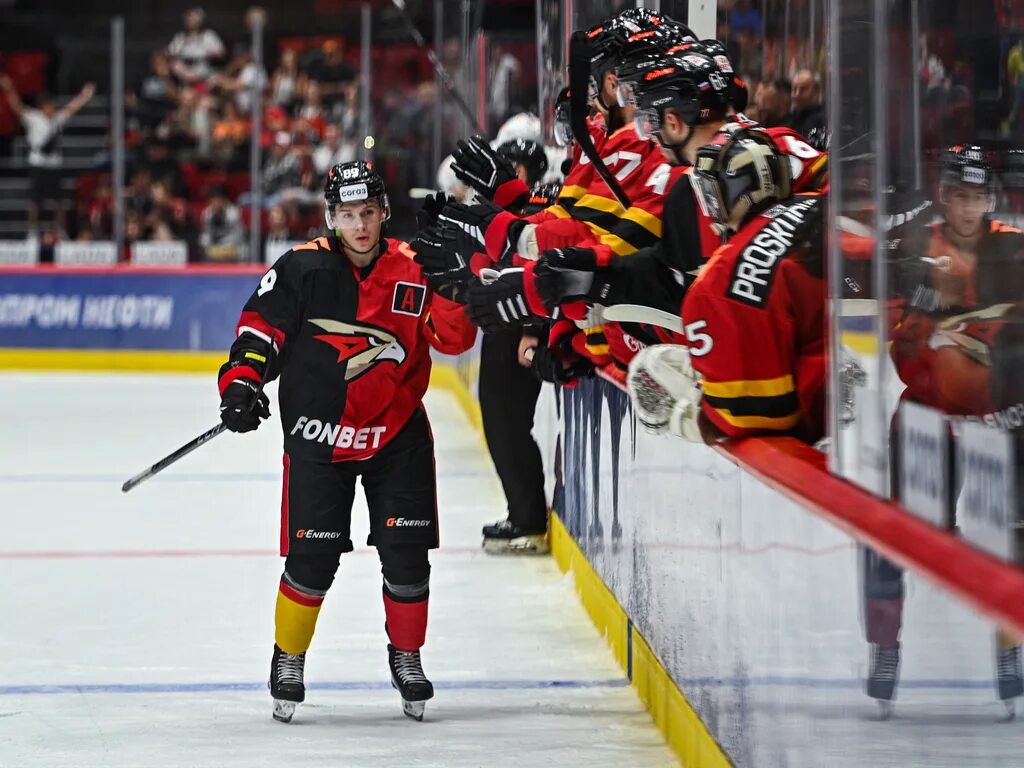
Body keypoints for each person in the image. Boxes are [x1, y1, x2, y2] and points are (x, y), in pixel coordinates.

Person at [217, 161, 475, 723]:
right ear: (332, 217)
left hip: (395, 435)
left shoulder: (414, 267)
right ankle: (288, 658)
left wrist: (456, 280)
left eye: (368, 213)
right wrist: (241, 384)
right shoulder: (301, 267)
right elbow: (260, 330)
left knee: (407, 559)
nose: (360, 226)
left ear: (383, 213)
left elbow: (454, 340)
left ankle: (407, 657)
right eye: (348, 215)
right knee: (312, 559)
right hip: (318, 439)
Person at [873, 144, 1024, 716]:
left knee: (1009, 543)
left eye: (977, 196)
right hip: (927, 423)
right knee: (895, 542)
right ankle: (885, 646)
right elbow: (901, 343)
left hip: (998, 423)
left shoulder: (1013, 246)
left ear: (990, 199)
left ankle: (1008, 643)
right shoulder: (915, 250)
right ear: (944, 196)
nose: (968, 208)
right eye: (959, 196)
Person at [625, 128, 826, 446]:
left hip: (837, 441)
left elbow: (752, 417)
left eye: (710, 192)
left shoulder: (718, 281)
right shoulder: (823, 203)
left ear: (729, 193)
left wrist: (687, 417)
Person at [0, 76, 95, 235]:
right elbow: (16, 106)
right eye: (49, 106)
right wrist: (8, 88)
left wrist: (85, 96)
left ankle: (60, 230)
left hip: (54, 165)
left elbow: (72, 108)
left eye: (53, 105)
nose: (52, 108)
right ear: (42, 107)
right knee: (34, 202)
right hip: (37, 163)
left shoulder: (58, 119)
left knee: (60, 203)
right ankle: (32, 232)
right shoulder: (33, 118)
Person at [167, 7, 226, 85]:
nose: (188, 21)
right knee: (173, 65)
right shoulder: (180, 37)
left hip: (202, 67)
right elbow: (170, 52)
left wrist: (211, 54)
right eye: (187, 19)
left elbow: (221, 53)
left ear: (199, 21)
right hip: (184, 68)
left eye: (191, 19)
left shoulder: (208, 35)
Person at [786, 69, 825, 140]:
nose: (797, 94)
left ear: (816, 91)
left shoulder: (823, 120)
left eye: (803, 89)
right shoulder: (789, 120)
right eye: (794, 89)